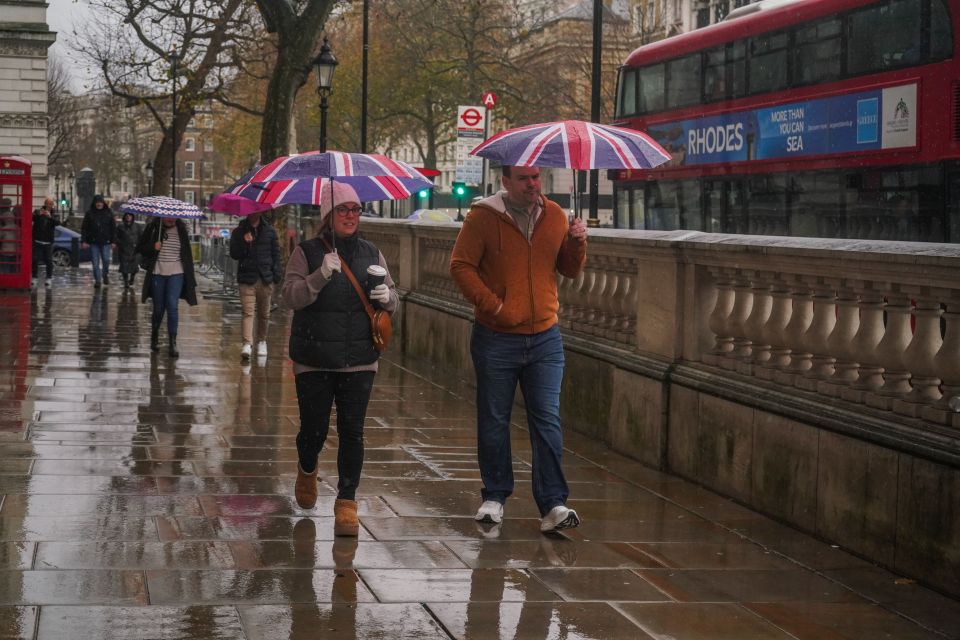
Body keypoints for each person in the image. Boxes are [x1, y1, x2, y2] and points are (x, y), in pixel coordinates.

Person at [449, 165, 588, 534]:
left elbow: (569, 270)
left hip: (545, 337)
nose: (533, 184)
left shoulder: (556, 215)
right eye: (524, 178)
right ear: (506, 182)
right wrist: (493, 306)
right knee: (494, 419)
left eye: (537, 177)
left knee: (547, 419)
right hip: (495, 336)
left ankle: (554, 503)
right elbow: (461, 266)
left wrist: (576, 242)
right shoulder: (483, 217)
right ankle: (494, 496)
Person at [281, 181, 399, 536]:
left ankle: (347, 501)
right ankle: (307, 466)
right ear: (328, 215)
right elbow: (290, 297)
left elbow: (394, 297)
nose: (351, 216)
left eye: (356, 210)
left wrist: (386, 297)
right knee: (313, 431)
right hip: (314, 358)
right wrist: (320, 275)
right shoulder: (306, 252)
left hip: (360, 358)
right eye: (343, 210)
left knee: (353, 431)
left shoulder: (372, 252)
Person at [136, 216, 197, 357]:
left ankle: (172, 342)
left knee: (172, 305)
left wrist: (190, 277)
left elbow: (187, 254)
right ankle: (154, 335)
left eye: (174, 217)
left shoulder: (181, 230)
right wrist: (153, 247)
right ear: (162, 216)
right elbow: (141, 247)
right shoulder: (153, 228)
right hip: (158, 272)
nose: (172, 220)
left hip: (177, 272)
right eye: (168, 217)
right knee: (158, 307)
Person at [230, 211, 281, 360]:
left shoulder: (270, 231)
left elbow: (276, 255)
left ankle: (262, 341)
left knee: (264, 314)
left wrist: (275, 277)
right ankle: (247, 343)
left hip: (265, 279)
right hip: (247, 278)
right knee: (248, 312)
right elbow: (234, 254)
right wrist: (245, 243)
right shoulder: (239, 231)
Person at [81, 194, 116, 288]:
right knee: (95, 262)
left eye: (100, 202)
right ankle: (98, 280)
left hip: (106, 241)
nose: (99, 204)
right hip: (93, 242)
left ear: (103, 203)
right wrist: (83, 241)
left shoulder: (109, 212)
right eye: (97, 202)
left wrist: (113, 241)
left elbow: (113, 228)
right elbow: (84, 228)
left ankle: (105, 274)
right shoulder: (89, 213)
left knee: (106, 260)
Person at [31, 196, 60, 287]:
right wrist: (38, 215)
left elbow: (57, 223)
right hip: (37, 240)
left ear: (53, 205)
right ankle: (34, 277)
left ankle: (49, 278)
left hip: (48, 241)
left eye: (51, 204)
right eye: (47, 203)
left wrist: (50, 217)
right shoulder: (37, 211)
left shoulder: (55, 214)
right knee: (34, 259)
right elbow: (31, 218)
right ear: (45, 203)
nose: (49, 206)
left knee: (48, 260)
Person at [115, 212, 142, 290]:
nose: (128, 217)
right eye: (127, 216)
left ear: (132, 217)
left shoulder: (137, 226)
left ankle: (132, 278)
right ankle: (126, 281)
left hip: (135, 249)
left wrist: (139, 245)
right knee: (124, 266)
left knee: (134, 266)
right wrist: (120, 243)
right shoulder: (120, 226)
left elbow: (141, 236)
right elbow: (116, 237)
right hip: (124, 249)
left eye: (130, 216)